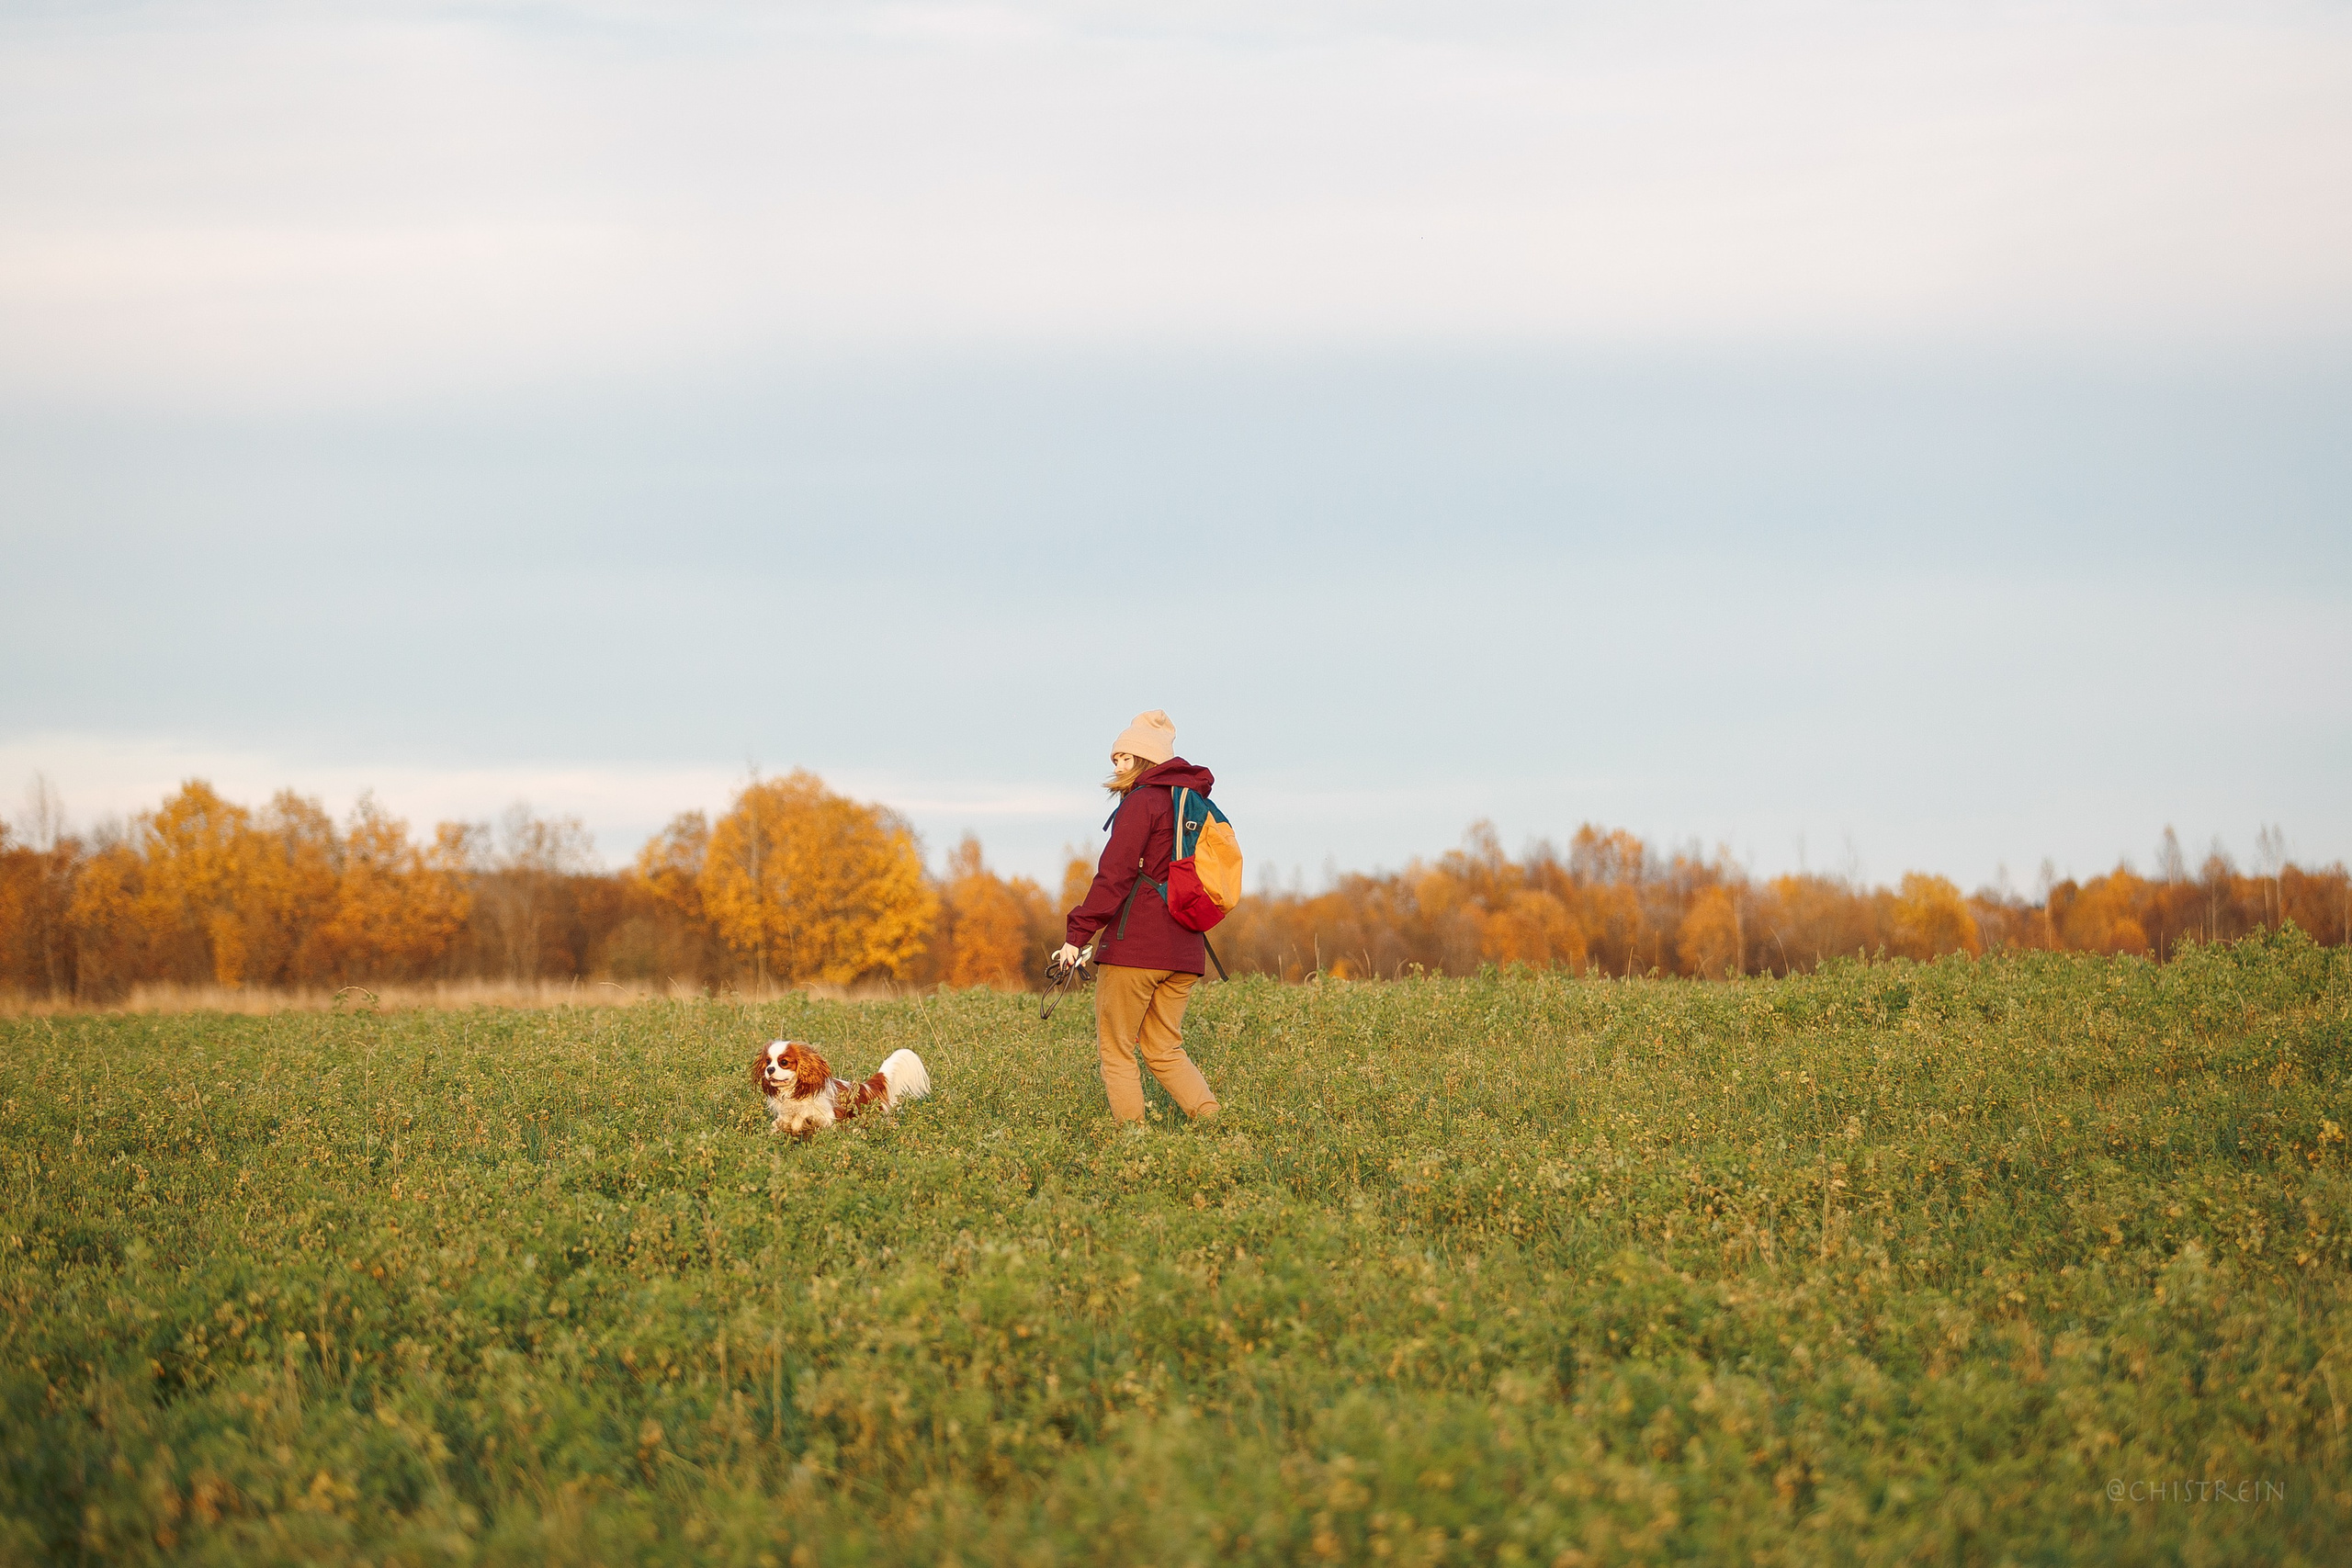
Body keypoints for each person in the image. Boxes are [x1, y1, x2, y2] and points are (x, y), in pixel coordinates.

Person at [1055, 710, 1222, 1127]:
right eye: (1115, 758)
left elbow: (1115, 876)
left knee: (1116, 1048)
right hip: (1186, 950)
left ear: (1145, 759)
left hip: (1137, 949)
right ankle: (1216, 1124)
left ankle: (1132, 1148)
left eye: (1124, 758)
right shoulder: (1195, 804)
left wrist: (1077, 934)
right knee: (1164, 1048)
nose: (1116, 765)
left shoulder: (1141, 803)